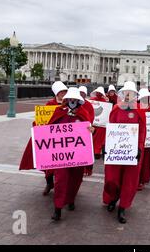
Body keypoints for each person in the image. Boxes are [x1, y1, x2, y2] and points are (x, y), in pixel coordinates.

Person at [103, 81, 146, 224]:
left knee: (129, 181)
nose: (128, 95)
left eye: (131, 93)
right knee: (112, 178)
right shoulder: (116, 109)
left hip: (132, 152)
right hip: (116, 151)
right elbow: (110, 129)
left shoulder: (140, 112)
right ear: (122, 94)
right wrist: (105, 145)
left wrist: (139, 148)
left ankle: (123, 207)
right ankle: (113, 197)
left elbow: (142, 133)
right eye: (126, 93)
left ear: (135, 95)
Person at [48, 87, 94, 221]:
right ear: (66, 100)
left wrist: (92, 130)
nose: (72, 101)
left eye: (75, 99)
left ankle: (71, 199)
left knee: (75, 179)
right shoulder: (59, 111)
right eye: (70, 99)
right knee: (61, 180)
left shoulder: (83, 112)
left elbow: (89, 131)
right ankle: (57, 208)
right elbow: (50, 127)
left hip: (78, 155)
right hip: (61, 154)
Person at [19, 81, 68, 196]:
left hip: (63, 139)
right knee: (47, 162)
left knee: (62, 165)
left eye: (64, 92)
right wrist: (36, 125)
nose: (63, 94)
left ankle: (62, 186)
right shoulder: (50, 104)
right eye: (61, 92)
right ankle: (49, 183)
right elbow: (42, 119)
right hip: (50, 138)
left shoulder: (70, 103)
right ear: (56, 93)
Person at [79, 86, 96, 176]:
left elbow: (91, 117)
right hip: (76, 131)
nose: (81, 95)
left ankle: (88, 169)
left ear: (85, 95)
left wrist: (87, 125)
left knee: (88, 150)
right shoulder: (75, 102)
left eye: (83, 93)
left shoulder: (88, 105)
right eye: (80, 93)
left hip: (86, 130)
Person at [89, 86, 110, 161]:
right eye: (97, 92)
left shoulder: (105, 101)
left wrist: (107, 102)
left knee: (100, 139)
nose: (98, 94)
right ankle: (94, 151)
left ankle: (97, 152)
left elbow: (107, 110)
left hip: (101, 124)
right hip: (94, 123)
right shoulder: (92, 100)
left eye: (100, 93)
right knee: (93, 138)